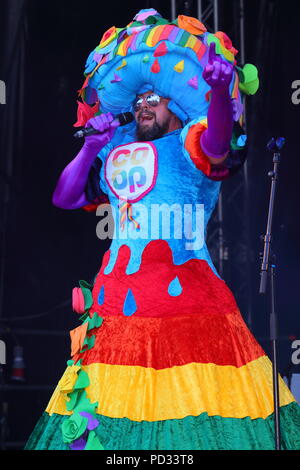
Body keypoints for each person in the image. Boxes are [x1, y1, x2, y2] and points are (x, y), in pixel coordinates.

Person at [25, 9, 300, 450]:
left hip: (190, 309)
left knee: (196, 427)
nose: (143, 107)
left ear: (173, 101)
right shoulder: (114, 150)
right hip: (116, 311)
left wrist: (215, 89)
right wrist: (91, 148)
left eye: (153, 98)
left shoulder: (193, 138)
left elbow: (217, 144)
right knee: (106, 431)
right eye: (138, 101)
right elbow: (65, 196)